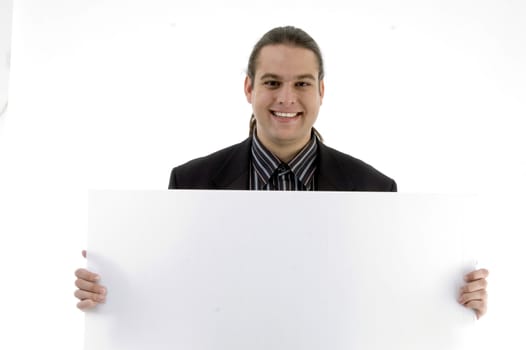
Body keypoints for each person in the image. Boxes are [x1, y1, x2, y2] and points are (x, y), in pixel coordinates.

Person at [74, 26, 489, 319]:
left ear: (321, 92)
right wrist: (114, 292)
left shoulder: (373, 190)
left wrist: (453, 301)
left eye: (302, 84)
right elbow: (174, 286)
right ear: (249, 90)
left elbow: (389, 296)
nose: (286, 98)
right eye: (272, 82)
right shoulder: (192, 182)